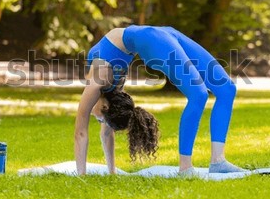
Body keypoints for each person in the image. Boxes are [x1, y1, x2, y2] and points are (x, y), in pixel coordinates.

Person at [74, 25, 247, 175]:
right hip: (157, 37)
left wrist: (81, 175)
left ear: (105, 106)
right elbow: (106, 131)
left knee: (226, 89)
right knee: (199, 95)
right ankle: (187, 167)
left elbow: (80, 132)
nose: (98, 119)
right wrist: (111, 171)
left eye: (99, 118)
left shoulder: (97, 82)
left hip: (159, 37)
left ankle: (215, 162)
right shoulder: (113, 91)